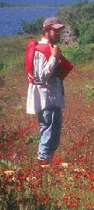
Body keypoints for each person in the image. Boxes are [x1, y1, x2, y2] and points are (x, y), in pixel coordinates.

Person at [26, 17, 73, 166]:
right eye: (55, 30)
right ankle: (42, 168)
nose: (59, 33)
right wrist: (54, 57)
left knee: (52, 136)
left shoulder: (50, 48)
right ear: (46, 31)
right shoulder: (42, 50)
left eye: (60, 31)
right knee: (49, 136)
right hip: (48, 100)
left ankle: (47, 167)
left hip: (52, 99)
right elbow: (42, 76)